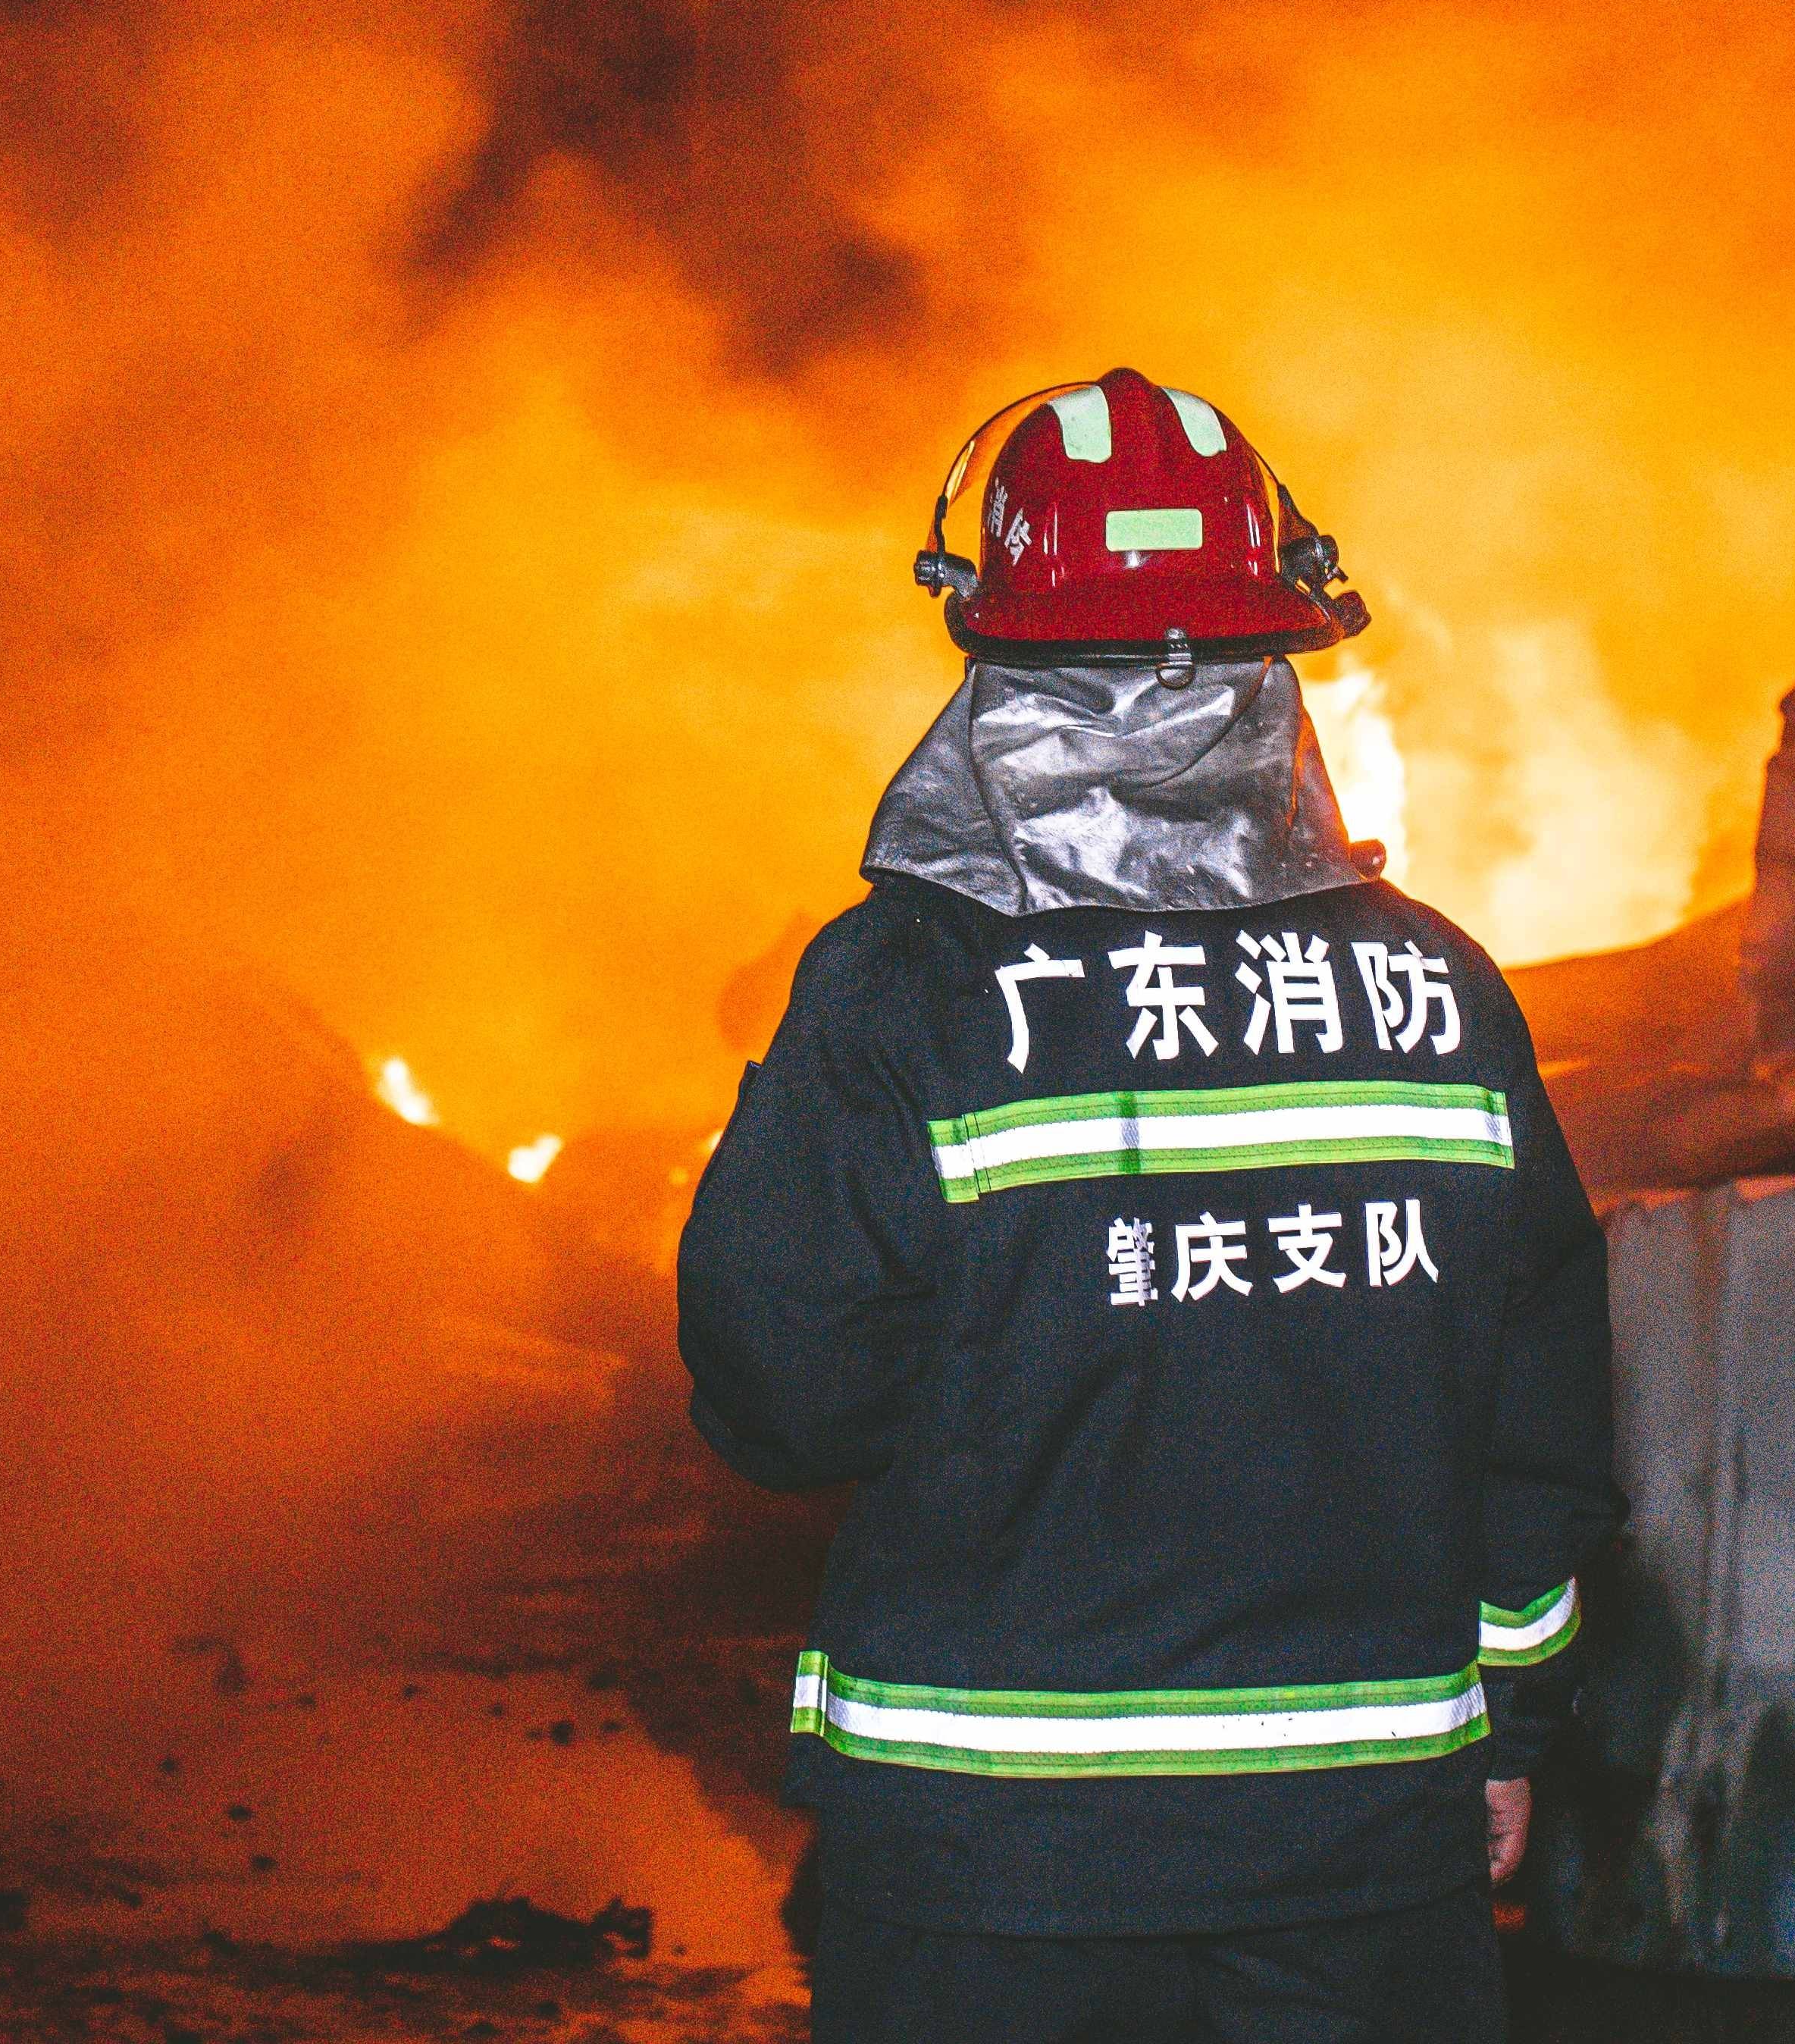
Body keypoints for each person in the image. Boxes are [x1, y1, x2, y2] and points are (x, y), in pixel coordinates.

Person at [678, 368, 1620, 2044]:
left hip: (990, 1877)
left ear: (992, 642)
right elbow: (1539, 1424)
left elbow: (781, 1395)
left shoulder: (903, 991)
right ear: (1278, 645)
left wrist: (1005, 1375)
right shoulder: (1443, 993)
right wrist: (1513, 1733)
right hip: (1366, 1861)